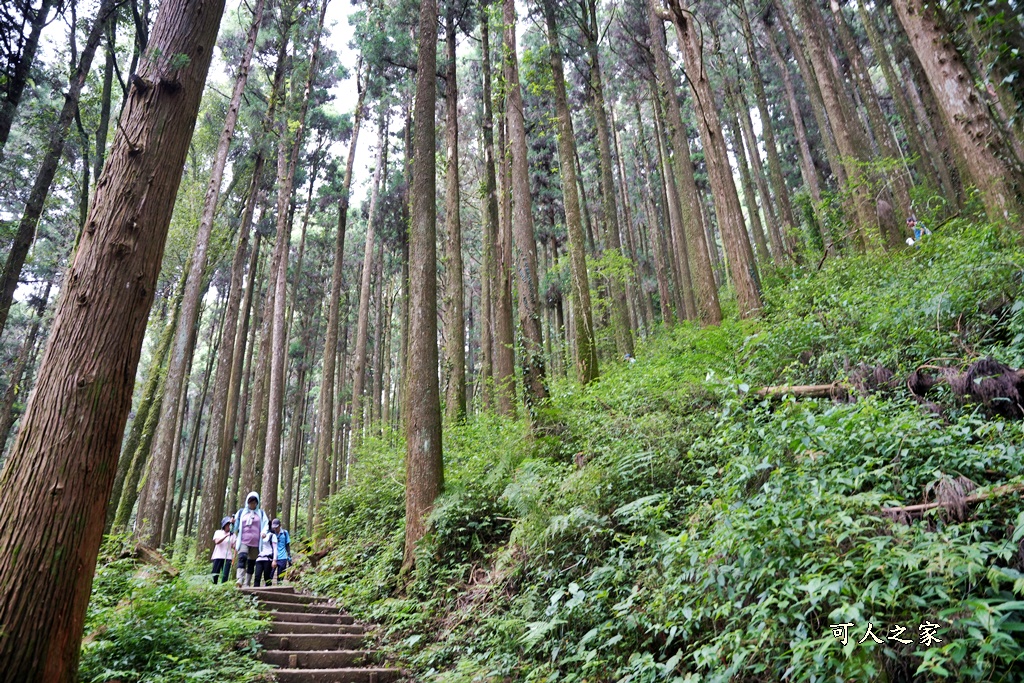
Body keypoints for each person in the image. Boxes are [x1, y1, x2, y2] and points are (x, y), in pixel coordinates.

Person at [233, 491, 269, 587]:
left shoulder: (261, 513)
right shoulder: (241, 512)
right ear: (247, 502)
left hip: (256, 542)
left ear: (257, 503)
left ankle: (247, 582)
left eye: (254, 502)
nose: (252, 504)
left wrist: (264, 532)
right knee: (242, 557)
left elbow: (266, 525)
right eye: (250, 502)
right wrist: (233, 522)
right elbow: (235, 527)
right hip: (243, 540)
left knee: (251, 562)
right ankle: (240, 579)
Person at [210, 516, 235, 584]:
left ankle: (223, 589)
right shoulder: (218, 532)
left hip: (228, 558)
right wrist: (226, 536)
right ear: (224, 525)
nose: (228, 526)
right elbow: (217, 542)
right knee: (215, 574)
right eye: (227, 524)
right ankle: (213, 587)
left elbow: (233, 546)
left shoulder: (233, 535)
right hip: (218, 556)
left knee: (225, 576)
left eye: (230, 524)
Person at [271, 518, 291, 583]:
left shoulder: (285, 533)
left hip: (282, 557)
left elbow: (287, 545)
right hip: (273, 557)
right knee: (269, 576)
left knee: (280, 578)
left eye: (276, 528)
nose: (275, 529)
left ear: (280, 525)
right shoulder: (271, 533)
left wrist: (289, 556)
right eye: (274, 528)